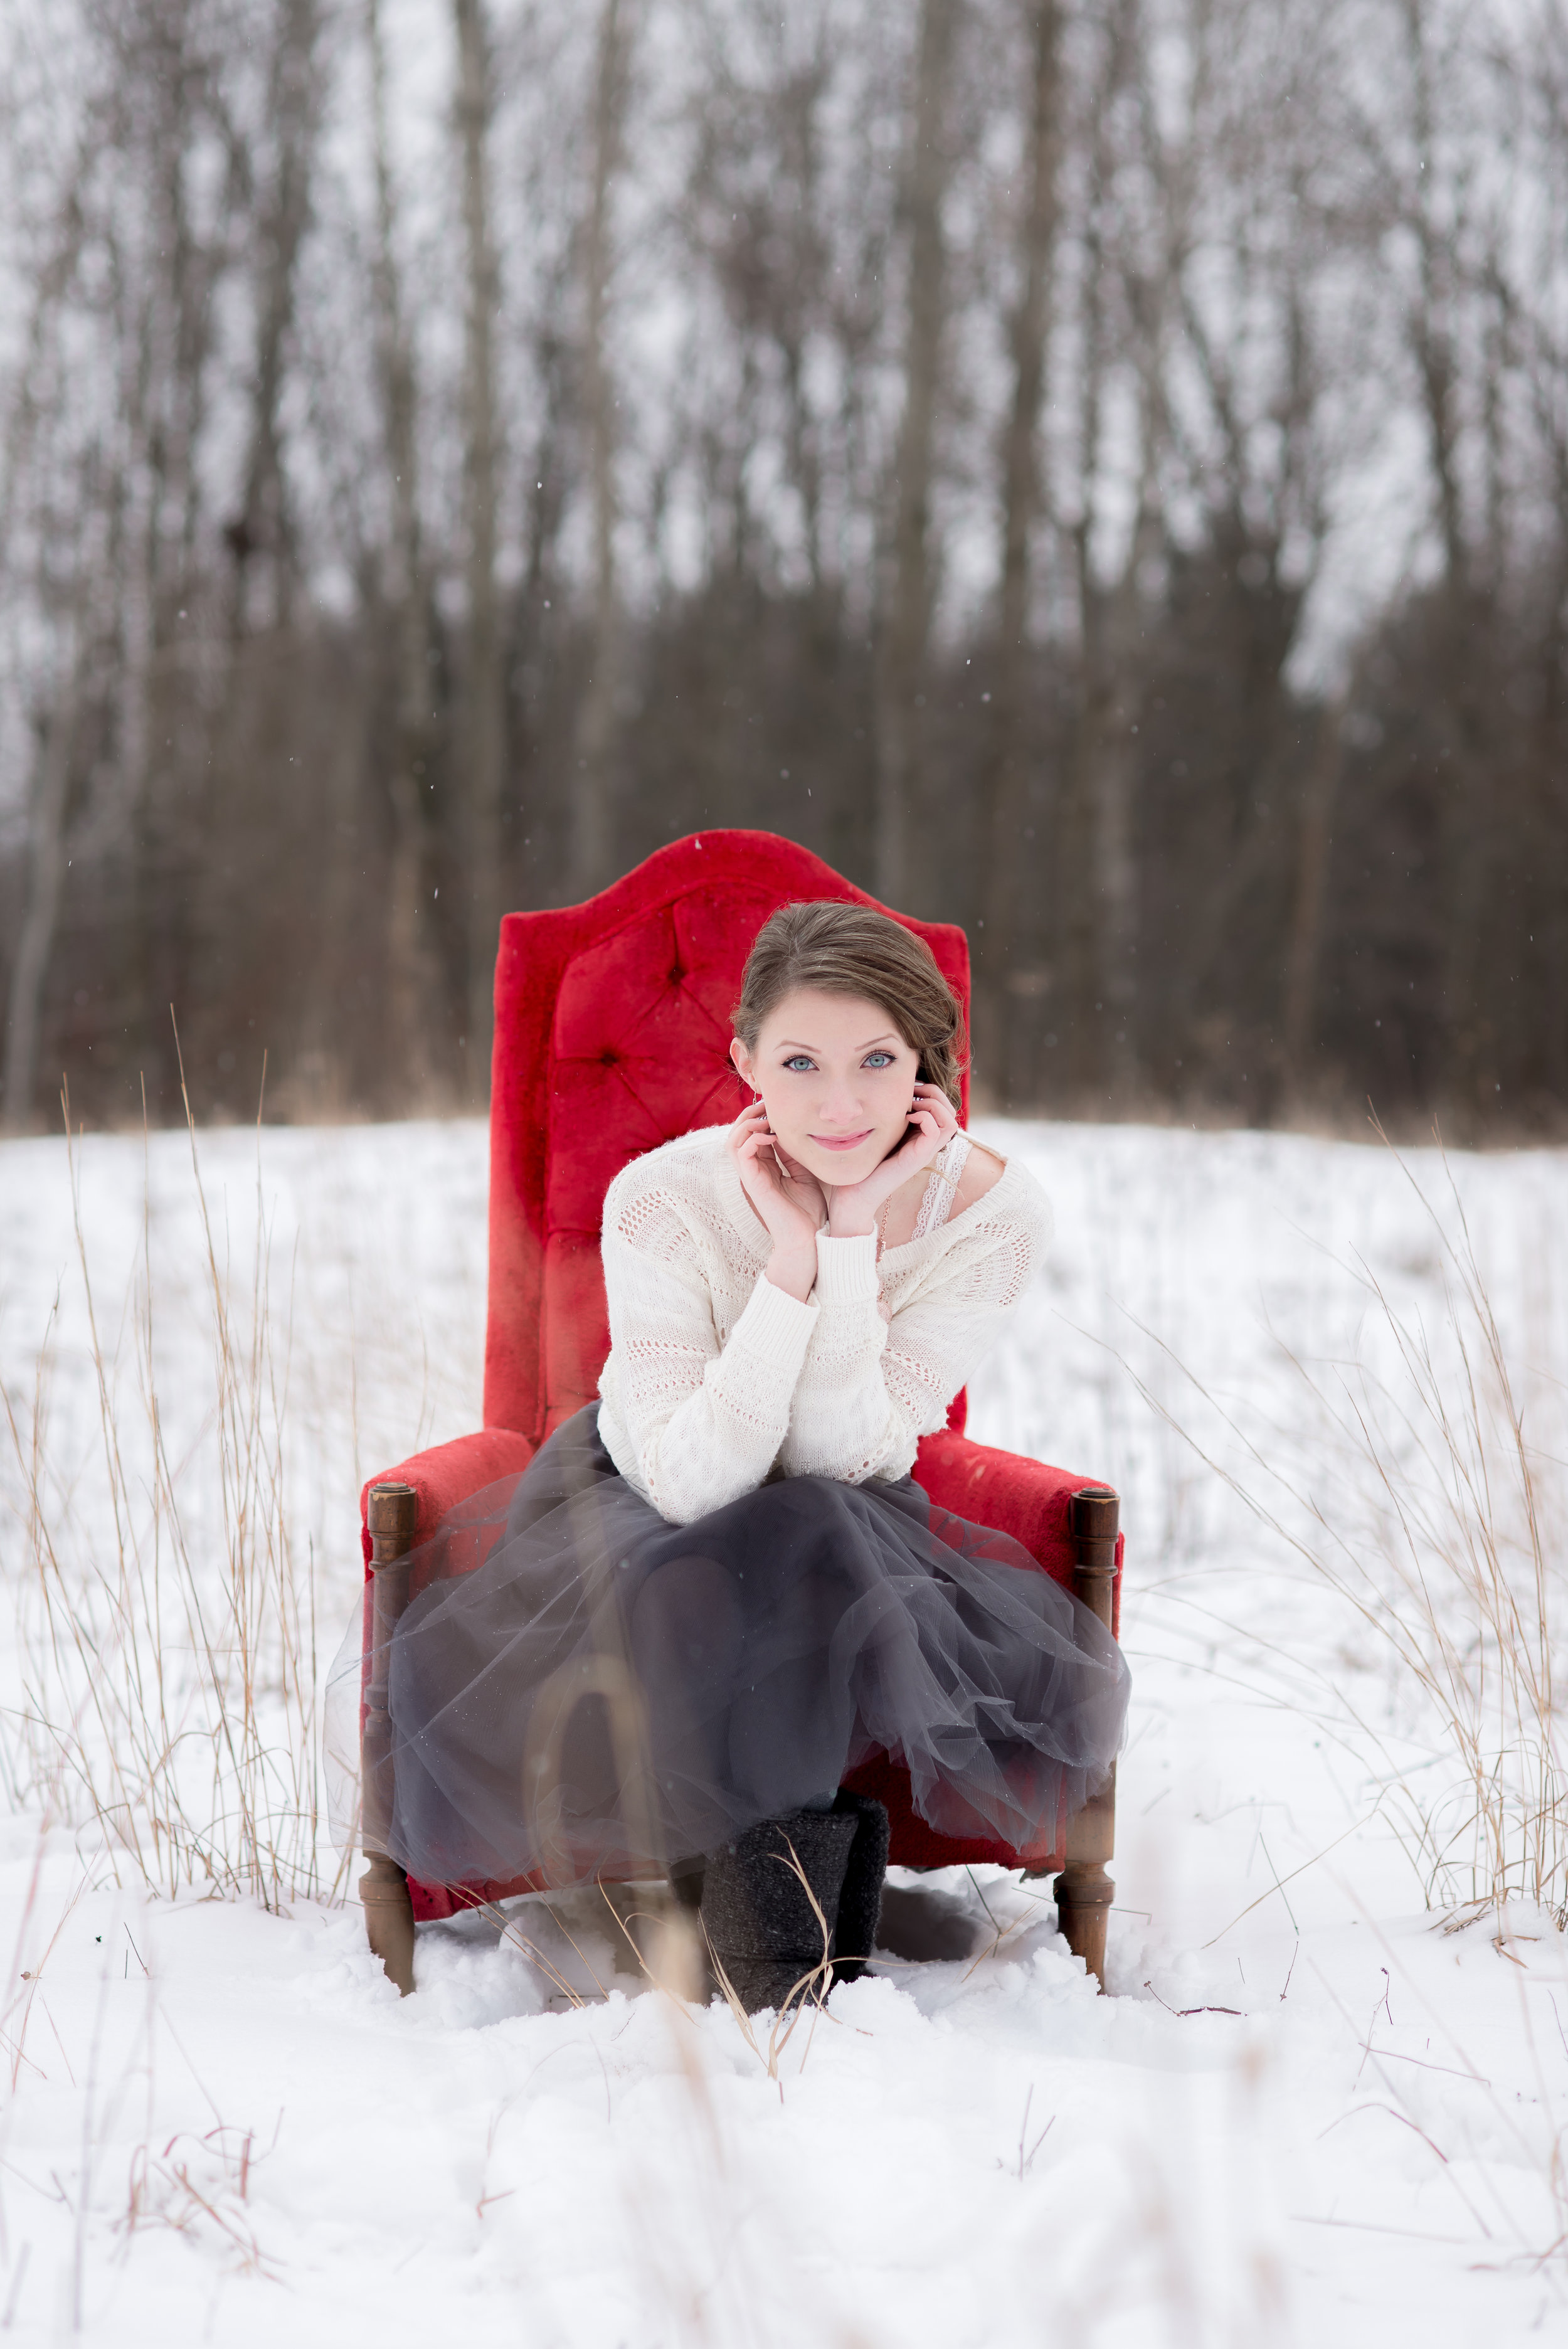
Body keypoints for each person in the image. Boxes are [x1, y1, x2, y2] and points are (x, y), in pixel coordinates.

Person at [346, 901, 1130, 2012]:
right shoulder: (660, 1198)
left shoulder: (999, 1214)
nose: (840, 1103)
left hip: (849, 1501)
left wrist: (851, 1234)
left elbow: (837, 1453)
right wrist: (790, 1265)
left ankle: (779, 1938)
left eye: (876, 1060)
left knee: (809, 1534)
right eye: (800, 1061)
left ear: (928, 1073)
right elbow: (695, 1481)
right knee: (720, 1562)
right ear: (744, 1059)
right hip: (641, 1494)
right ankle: (757, 1919)